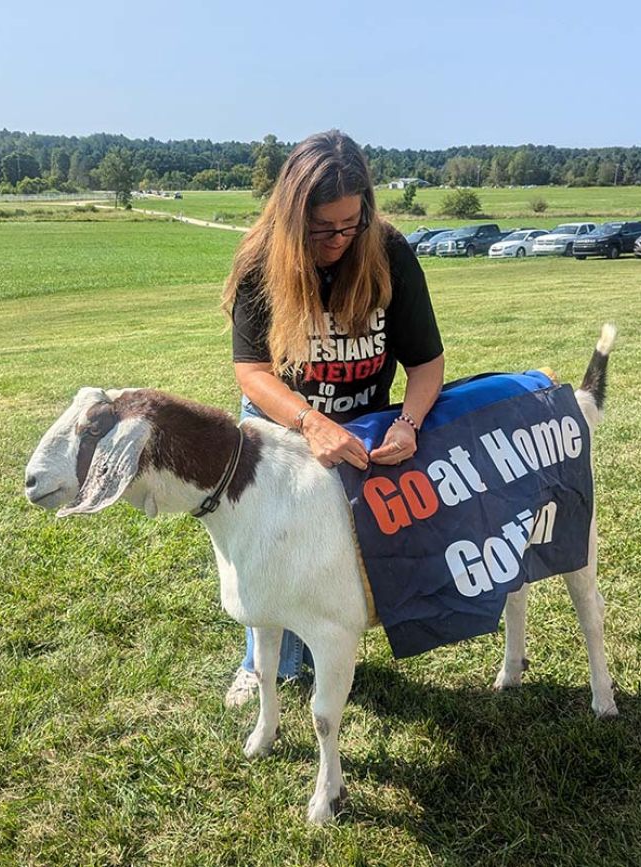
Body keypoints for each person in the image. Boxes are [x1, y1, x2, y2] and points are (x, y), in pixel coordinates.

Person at [221, 130, 446, 706]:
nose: (340, 240)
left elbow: (426, 364)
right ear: (294, 219)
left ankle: (332, 635)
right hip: (280, 423)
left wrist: (409, 424)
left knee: (343, 543)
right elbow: (252, 372)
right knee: (272, 544)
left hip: (364, 422)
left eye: (352, 225)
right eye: (324, 230)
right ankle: (262, 663)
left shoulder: (389, 252)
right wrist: (308, 423)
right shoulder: (260, 260)